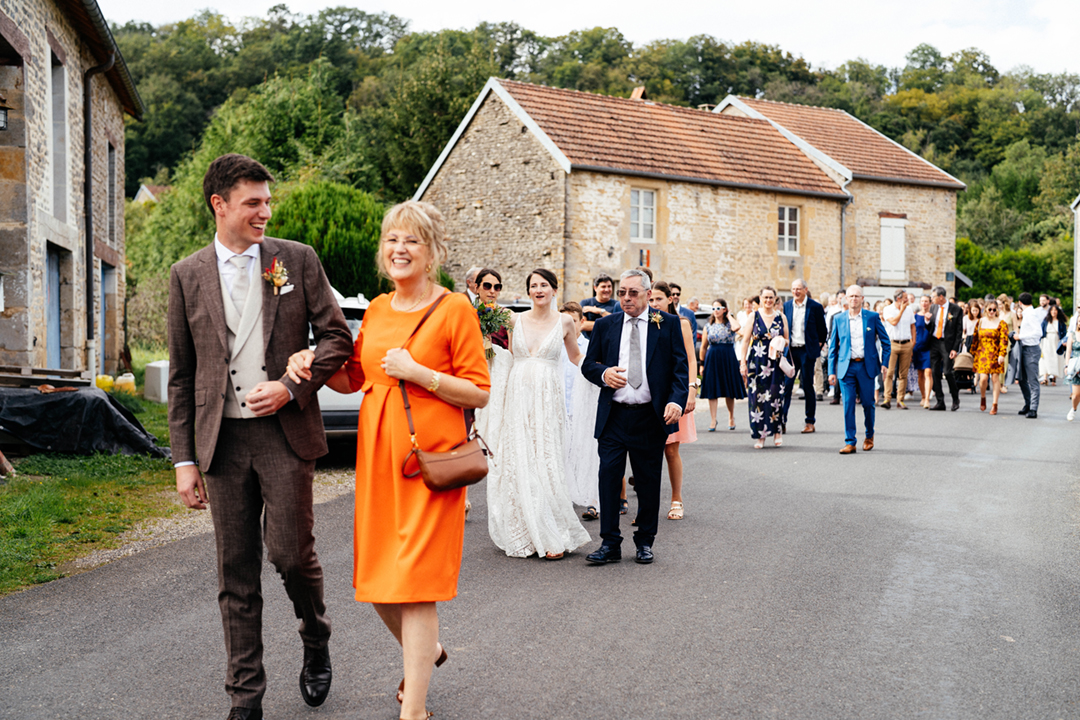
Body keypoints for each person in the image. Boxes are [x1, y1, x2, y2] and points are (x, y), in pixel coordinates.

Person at [286, 201, 491, 720]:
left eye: (412, 241)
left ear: (432, 251)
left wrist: (419, 372)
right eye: (392, 240)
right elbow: (352, 378)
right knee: (377, 584)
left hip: (431, 465)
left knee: (417, 586)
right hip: (378, 464)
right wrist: (310, 363)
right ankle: (430, 653)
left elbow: (479, 392)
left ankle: (414, 710)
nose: (400, 250)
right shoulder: (376, 310)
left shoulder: (454, 310)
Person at [168, 154, 353, 720]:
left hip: (283, 436)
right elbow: (181, 373)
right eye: (253, 203)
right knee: (236, 571)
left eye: (268, 202)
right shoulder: (186, 273)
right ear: (218, 205)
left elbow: (337, 339)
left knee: (291, 556)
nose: (265, 212)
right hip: (219, 442)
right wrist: (183, 460)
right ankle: (245, 699)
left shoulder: (296, 260)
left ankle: (314, 635)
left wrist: (293, 387)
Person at [580, 269, 688, 565]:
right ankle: (610, 543)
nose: (626, 298)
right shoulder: (606, 325)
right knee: (609, 478)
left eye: (633, 293)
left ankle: (644, 541)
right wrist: (603, 373)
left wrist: (677, 401)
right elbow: (588, 365)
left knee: (648, 481)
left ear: (648, 293)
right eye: (622, 293)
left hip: (649, 417)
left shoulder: (666, 324)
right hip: (613, 416)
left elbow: (680, 369)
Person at [487, 269, 592, 560]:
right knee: (519, 458)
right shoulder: (513, 319)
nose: (538, 289)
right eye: (533, 285)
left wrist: (600, 370)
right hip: (517, 397)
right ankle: (523, 528)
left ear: (554, 289)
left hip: (548, 398)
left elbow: (576, 357)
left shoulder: (566, 321)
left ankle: (549, 531)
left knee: (546, 459)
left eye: (543, 284)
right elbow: (481, 323)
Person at [649, 282, 697, 521]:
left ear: (670, 299)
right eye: (651, 300)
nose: (654, 304)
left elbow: (691, 359)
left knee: (671, 449)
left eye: (658, 299)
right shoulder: (646, 323)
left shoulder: (682, 324)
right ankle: (648, 507)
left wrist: (691, 390)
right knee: (649, 451)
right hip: (652, 395)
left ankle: (676, 499)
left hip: (676, 392)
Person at [828, 285, 891, 454]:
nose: (854, 299)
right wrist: (831, 371)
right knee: (848, 404)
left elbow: (886, 343)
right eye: (851, 296)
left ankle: (869, 436)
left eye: (857, 296)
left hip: (866, 366)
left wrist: (884, 363)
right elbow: (832, 347)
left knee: (868, 404)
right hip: (846, 368)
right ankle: (850, 441)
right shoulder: (839, 319)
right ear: (846, 299)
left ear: (862, 299)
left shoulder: (872, 317)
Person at [560, 302, 601, 520]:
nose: (567, 325)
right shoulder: (556, 348)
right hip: (561, 409)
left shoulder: (589, 348)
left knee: (587, 454)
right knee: (563, 455)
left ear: (581, 322)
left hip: (583, 410)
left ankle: (593, 501)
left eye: (572, 321)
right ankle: (565, 499)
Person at [740, 286, 790, 449]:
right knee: (757, 398)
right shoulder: (753, 316)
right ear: (760, 299)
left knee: (775, 397)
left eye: (771, 298)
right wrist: (743, 363)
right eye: (765, 297)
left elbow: (788, 340)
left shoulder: (781, 317)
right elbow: (746, 340)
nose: (768, 301)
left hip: (775, 361)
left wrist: (780, 342)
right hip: (757, 360)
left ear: (775, 299)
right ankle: (760, 435)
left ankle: (777, 431)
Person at [782, 279, 827, 433]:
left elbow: (822, 331)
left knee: (807, 385)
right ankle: (782, 421)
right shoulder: (787, 306)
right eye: (793, 289)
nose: (796, 292)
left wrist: (816, 347)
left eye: (799, 289)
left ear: (805, 289)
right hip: (791, 352)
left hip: (807, 351)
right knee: (786, 386)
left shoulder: (815, 307)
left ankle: (810, 422)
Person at [699, 299, 745, 431]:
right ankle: (713, 419)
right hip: (712, 357)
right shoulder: (708, 326)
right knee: (712, 389)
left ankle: (731, 416)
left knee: (728, 389)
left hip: (728, 356)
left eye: (718, 308)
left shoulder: (730, 324)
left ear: (724, 309)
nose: (715, 311)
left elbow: (737, 328)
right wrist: (701, 365)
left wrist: (729, 316)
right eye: (713, 309)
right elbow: (703, 347)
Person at [927, 286, 964, 411]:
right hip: (934, 342)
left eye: (933, 297)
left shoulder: (956, 309)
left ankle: (955, 398)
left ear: (941, 297)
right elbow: (930, 326)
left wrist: (955, 348)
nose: (931, 299)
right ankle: (940, 401)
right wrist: (927, 321)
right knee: (934, 372)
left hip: (947, 343)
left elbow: (959, 331)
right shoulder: (933, 307)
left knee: (948, 372)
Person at [971, 300, 1009, 414]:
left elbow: (1004, 340)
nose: (992, 311)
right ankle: (983, 397)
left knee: (995, 378)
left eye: (994, 309)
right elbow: (975, 338)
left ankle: (994, 404)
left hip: (996, 353)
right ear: (986, 309)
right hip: (982, 353)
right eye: (990, 309)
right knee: (983, 379)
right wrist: (972, 353)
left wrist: (1002, 354)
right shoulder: (980, 322)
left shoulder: (1002, 323)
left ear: (997, 310)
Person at [880, 289, 916, 410]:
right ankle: (887, 398)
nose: (908, 300)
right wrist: (901, 310)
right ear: (899, 299)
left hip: (906, 343)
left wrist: (913, 342)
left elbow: (912, 326)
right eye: (905, 298)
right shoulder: (888, 309)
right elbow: (894, 322)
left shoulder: (910, 310)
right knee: (889, 372)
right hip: (892, 343)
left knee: (903, 374)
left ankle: (900, 400)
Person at [1015, 292, 1048, 418]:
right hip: (1024, 348)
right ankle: (1028, 404)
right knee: (1022, 379)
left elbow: (1038, 332)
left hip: (1031, 349)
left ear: (1020, 303)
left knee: (1032, 380)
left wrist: (1020, 336)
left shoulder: (1031, 314)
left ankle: (1033, 408)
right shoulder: (1027, 314)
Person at [475, 268, 509, 350]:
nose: (492, 291)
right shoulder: (467, 312)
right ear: (477, 288)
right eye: (487, 286)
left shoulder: (508, 315)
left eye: (497, 287)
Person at [912, 295, 934, 408]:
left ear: (930, 303)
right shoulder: (915, 316)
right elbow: (912, 332)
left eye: (926, 301)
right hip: (918, 346)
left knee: (928, 372)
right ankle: (923, 396)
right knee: (920, 374)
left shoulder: (934, 315)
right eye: (922, 301)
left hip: (930, 347)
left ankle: (927, 399)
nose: (924, 303)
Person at [581, 273, 619, 337]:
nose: (607, 290)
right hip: (588, 343)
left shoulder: (617, 305)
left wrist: (600, 311)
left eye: (609, 286)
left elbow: (617, 324)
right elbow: (582, 325)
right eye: (603, 287)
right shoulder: (585, 303)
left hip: (608, 344)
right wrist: (609, 322)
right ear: (595, 288)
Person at [1040, 302, 1067, 385]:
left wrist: (1063, 341)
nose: (1054, 312)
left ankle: (1053, 377)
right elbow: (1042, 330)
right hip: (1047, 340)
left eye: (1055, 310)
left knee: (1055, 358)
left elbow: (1064, 332)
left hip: (1056, 341)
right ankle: (1045, 377)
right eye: (1052, 310)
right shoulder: (1046, 320)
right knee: (1045, 358)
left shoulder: (1061, 322)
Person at [1064, 310, 1080, 420]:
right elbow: (1068, 351)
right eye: (1079, 321)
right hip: (1076, 367)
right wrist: (1066, 365)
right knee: (1075, 395)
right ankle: (1074, 409)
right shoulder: (1072, 335)